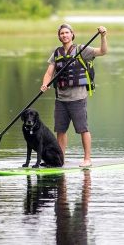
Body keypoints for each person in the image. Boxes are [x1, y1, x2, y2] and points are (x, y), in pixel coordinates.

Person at [40, 24, 108, 167]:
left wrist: (103, 36)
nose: (64, 35)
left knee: (83, 129)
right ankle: (60, 160)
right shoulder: (56, 53)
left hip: (78, 98)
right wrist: (45, 84)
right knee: (60, 131)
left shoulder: (81, 50)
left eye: (67, 33)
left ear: (72, 34)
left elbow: (102, 51)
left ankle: (87, 159)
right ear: (59, 36)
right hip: (61, 99)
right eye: (62, 33)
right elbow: (49, 73)